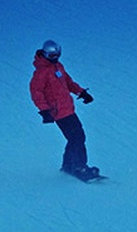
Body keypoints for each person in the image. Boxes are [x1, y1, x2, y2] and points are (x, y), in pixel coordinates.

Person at [29, 39, 100, 181]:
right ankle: (80, 167)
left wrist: (81, 93)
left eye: (57, 55)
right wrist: (44, 111)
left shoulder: (58, 67)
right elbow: (36, 93)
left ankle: (69, 165)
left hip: (68, 109)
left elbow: (68, 82)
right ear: (45, 54)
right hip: (57, 112)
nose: (55, 59)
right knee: (77, 138)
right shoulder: (41, 73)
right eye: (51, 56)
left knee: (75, 138)